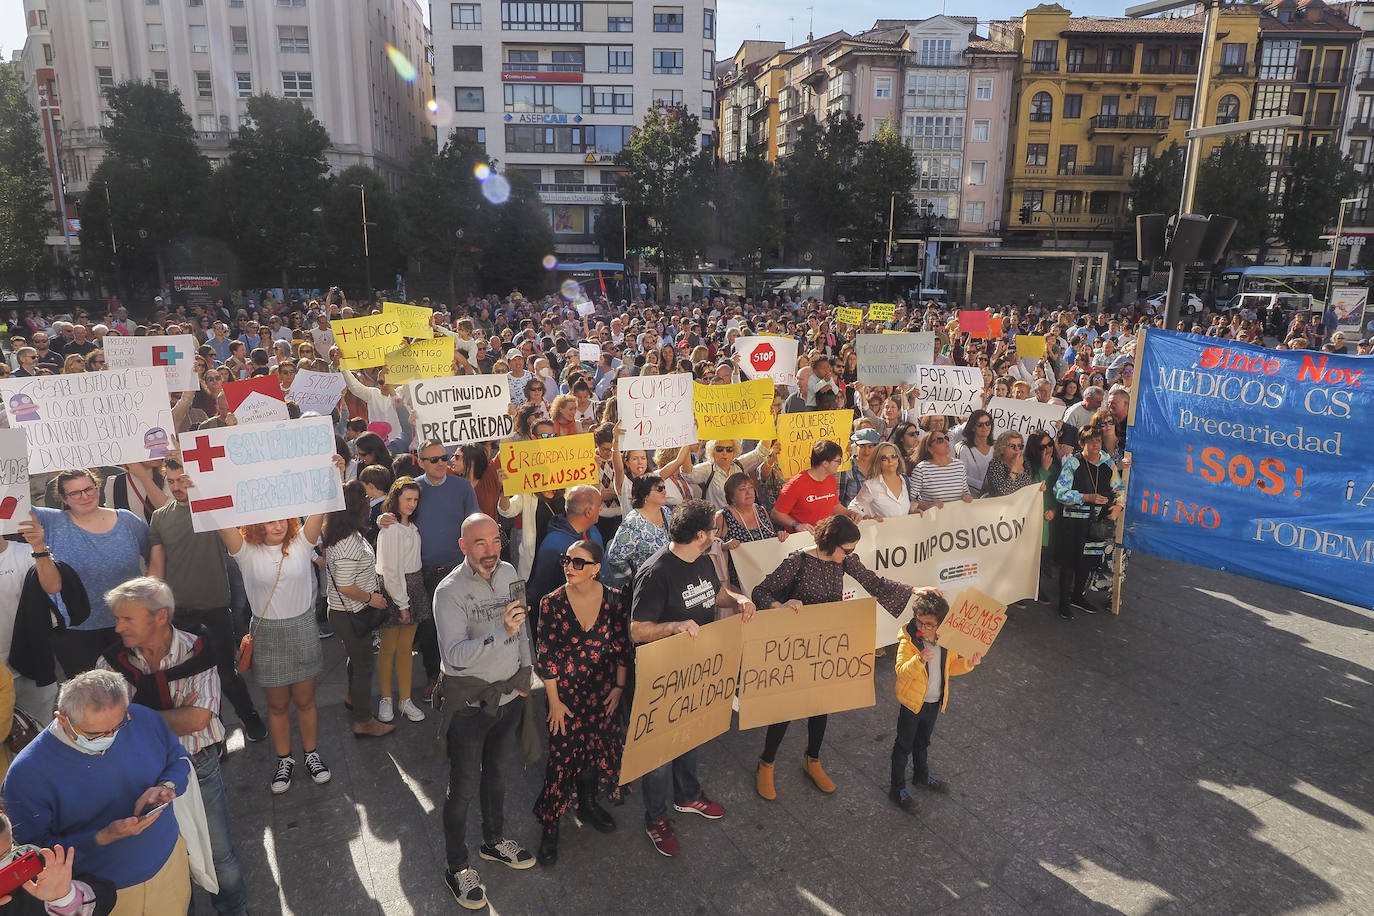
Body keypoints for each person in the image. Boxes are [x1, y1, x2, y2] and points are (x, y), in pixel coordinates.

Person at [97, 579, 248, 916]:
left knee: (217, 852)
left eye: (127, 619)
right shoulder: (112, 660)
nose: (117, 626)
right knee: (170, 859)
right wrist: (174, 714)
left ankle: (234, 911)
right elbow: (103, 723)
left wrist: (132, 714)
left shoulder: (199, 649)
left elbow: (197, 720)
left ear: (159, 617)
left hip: (198, 765)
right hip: (143, 775)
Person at [750, 514, 918, 799]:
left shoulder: (845, 561)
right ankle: (766, 762)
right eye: (847, 549)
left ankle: (812, 759)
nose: (851, 555)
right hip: (796, 647)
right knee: (786, 708)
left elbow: (874, 582)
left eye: (852, 550)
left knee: (821, 705)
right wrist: (780, 605)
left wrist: (914, 590)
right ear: (830, 543)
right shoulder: (798, 562)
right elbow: (760, 591)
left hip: (826, 647)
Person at [2, 670, 192, 913]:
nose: (111, 737)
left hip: (170, 866)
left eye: (119, 725)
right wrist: (102, 837)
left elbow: (178, 758)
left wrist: (167, 787)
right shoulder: (27, 774)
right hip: (101, 893)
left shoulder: (142, 718)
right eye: (96, 734)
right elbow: (35, 854)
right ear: (62, 719)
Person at [629, 500, 755, 857]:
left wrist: (738, 598)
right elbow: (637, 631)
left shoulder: (701, 559)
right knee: (658, 753)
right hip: (663, 674)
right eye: (715, 530)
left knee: (692, 733)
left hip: (696, 670)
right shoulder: (656, 572)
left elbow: (715, 593)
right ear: (701, 535)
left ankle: (687, 796)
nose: (718, 535)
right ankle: (656, 819)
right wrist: (675, 626)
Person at [433, 514, 537, 910]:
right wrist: (500, 634)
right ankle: (456, 866)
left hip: (508, 698)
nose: (491, 550)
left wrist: (526, 668)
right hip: (468, 707)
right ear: (463, 547)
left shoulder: (509, 570)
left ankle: (493, 841)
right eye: (480, 543)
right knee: (460, 789)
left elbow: (522, 625)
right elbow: (455, 657)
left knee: (497, 775)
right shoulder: (449, 591)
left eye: (495, 540)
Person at [217, 487, 338, 794]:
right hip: (267, 633)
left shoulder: (301, 543)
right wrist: (199, 487)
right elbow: (216, 515)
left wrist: (332, 471)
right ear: (255, 525)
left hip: (302, 629)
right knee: (277, 704)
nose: (278, 525)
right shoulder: (244, 551)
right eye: (269, 521)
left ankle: (311, 755)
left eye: (282, 518)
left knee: (306, 700)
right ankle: (285, 760)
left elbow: (324, 500)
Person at [147, 458, 267, 743]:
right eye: (172, 481)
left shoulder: (213, 511)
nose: (177, 488)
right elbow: (156, 566)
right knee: (190, 678)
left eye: (183, 481)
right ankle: (213, 736)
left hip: (214, 610)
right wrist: (151, 607)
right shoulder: (160, 517)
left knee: (227, 674)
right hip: (177, 616)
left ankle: (250, 719)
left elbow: (237, 533)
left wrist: (203, 494)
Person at [532, 541, 632, 867]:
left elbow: (620, 646)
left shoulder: (615, 599)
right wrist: (555, 704)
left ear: (596, 568)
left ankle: (587, 804)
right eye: (567, 560)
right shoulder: (551, 603)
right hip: (565, 697)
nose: (569, 567)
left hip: (601, 692)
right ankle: (550, 826)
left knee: (593, 750)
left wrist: (618, 687)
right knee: (560, 761)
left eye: (578, 562)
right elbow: (545, 658)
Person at [34, 470, 149, 676]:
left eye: (89, 489)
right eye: (75, 493)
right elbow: (11, 504)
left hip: (131, 625)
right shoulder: (50, 521)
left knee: (138, 692)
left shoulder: (127, 520)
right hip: (77, 633)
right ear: (63, 498)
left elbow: (155, 554)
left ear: (98, 487)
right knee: (91, 700)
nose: (85, 496)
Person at [889, 591, 981, 814]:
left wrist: (968, 663)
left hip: (933, 703)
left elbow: (950, 669)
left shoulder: (945, 642)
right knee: (903, 746)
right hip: (912, 705)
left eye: (929, 624)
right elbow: (901, 672)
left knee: (922, 743)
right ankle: (897, 788)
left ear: (940, 624)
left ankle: (921, 776)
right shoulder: (908, 641)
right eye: (919, 621)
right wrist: (918, 660)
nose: (922, 627)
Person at [321, 482, 395, 738]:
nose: (367, 500)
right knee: (364, 664)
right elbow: (344, 585)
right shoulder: (347, 542)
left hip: (344, 612)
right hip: (351, 612)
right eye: (362, 497)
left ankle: (355, 699)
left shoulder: (339, 533)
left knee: (355, 657)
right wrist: (371, 599)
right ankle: (363, 721)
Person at [411, 439, 479, 703]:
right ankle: (433, 677)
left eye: (444, 457)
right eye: (434, 459)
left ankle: (469, 677)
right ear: (421, 462)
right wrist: (386, 517)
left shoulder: (462, 487)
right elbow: (397, 514)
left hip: (459, 569)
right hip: (425, 572)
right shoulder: (412, 488)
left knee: (467, 625)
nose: (442, 463)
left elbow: (474, 524)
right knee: (430, 630)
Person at [1052, 426, 1124, 619]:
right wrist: (1085, 497)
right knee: (1069, 562)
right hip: (1073, 522)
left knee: (1086, 561)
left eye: (1098, 441)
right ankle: (1064, 602)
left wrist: (1118, 507)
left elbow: (1120, 489)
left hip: (1096, 523)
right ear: (1082, 444)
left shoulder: (1108, 463)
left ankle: (1077, 596)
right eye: (1091, 442)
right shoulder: (1073, 463)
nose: (1095, 445)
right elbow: (1059, 492)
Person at [375, 477, 430, 724]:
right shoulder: (390, 528)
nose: (412, 504)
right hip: (395, 588)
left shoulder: (411, 527)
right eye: (408, 498)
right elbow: (390, 570)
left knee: (406, 649)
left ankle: (405, 699)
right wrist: (402, 603)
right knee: (388, 648)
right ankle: (386, 697)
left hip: (414, 585)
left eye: (416, 499)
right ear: (396, 498)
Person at [525, 485, 604, 633]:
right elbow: (543, 593)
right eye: (599, 506)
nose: (601, 509)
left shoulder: (593, 530)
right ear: (588, 512)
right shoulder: (553, 546)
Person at [770, 440, 856, 535]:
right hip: (801, 540)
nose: (840, 464)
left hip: (824, 538)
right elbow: (776, 514)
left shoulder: (831, 479)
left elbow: (834, 506)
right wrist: (797, 525)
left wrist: (850, 513)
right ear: (825, 463)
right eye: (837, 461)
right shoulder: (795, 484)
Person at [602, 475, 672, 589]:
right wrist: (634, 577)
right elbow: (615, 556)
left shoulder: (666, 511)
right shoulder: (633, 522)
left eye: (664, 488)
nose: (664, 491)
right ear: (645, 495)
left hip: (670, 580)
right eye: (659, 489)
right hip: (650, 586)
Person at [906, 430, 972, 511]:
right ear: (930, 448)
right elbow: (909, 500)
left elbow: (966, 492)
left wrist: (967, 497)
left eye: (946, 438)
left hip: (958, 518)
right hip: (933, 521)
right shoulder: (921, 469)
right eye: (940, 440)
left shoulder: (959, 465)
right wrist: (927, 506)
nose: (946, 442)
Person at [849, 440, 912, 519]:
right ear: (878, 462)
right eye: (884, 458)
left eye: (893, 456)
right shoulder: (871, 485)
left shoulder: (905, 480)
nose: (890, 461)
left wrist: (913, 512)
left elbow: (903, 510)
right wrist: (868, 518)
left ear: (898, 459)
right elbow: (853, 508)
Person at [982, 431, 1038, 498]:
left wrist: (1038, 488)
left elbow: (1029, 488)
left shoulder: (1025, 462)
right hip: (1002, 506)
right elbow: (1004, 492)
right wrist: (1015, 468)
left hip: (1023, 504)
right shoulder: (996, 464)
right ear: (1002, 449)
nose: (1017, 450)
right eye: (1012, 446)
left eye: (1020, 446)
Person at [955, 409, 995, 497]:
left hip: (993, 497)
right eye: (980, 425)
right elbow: (961, 476)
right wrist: (982, 485)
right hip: (972, 498)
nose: (985, 427)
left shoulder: (996, 447)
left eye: (988, 423)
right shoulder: (964, 449)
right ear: (973, 427)